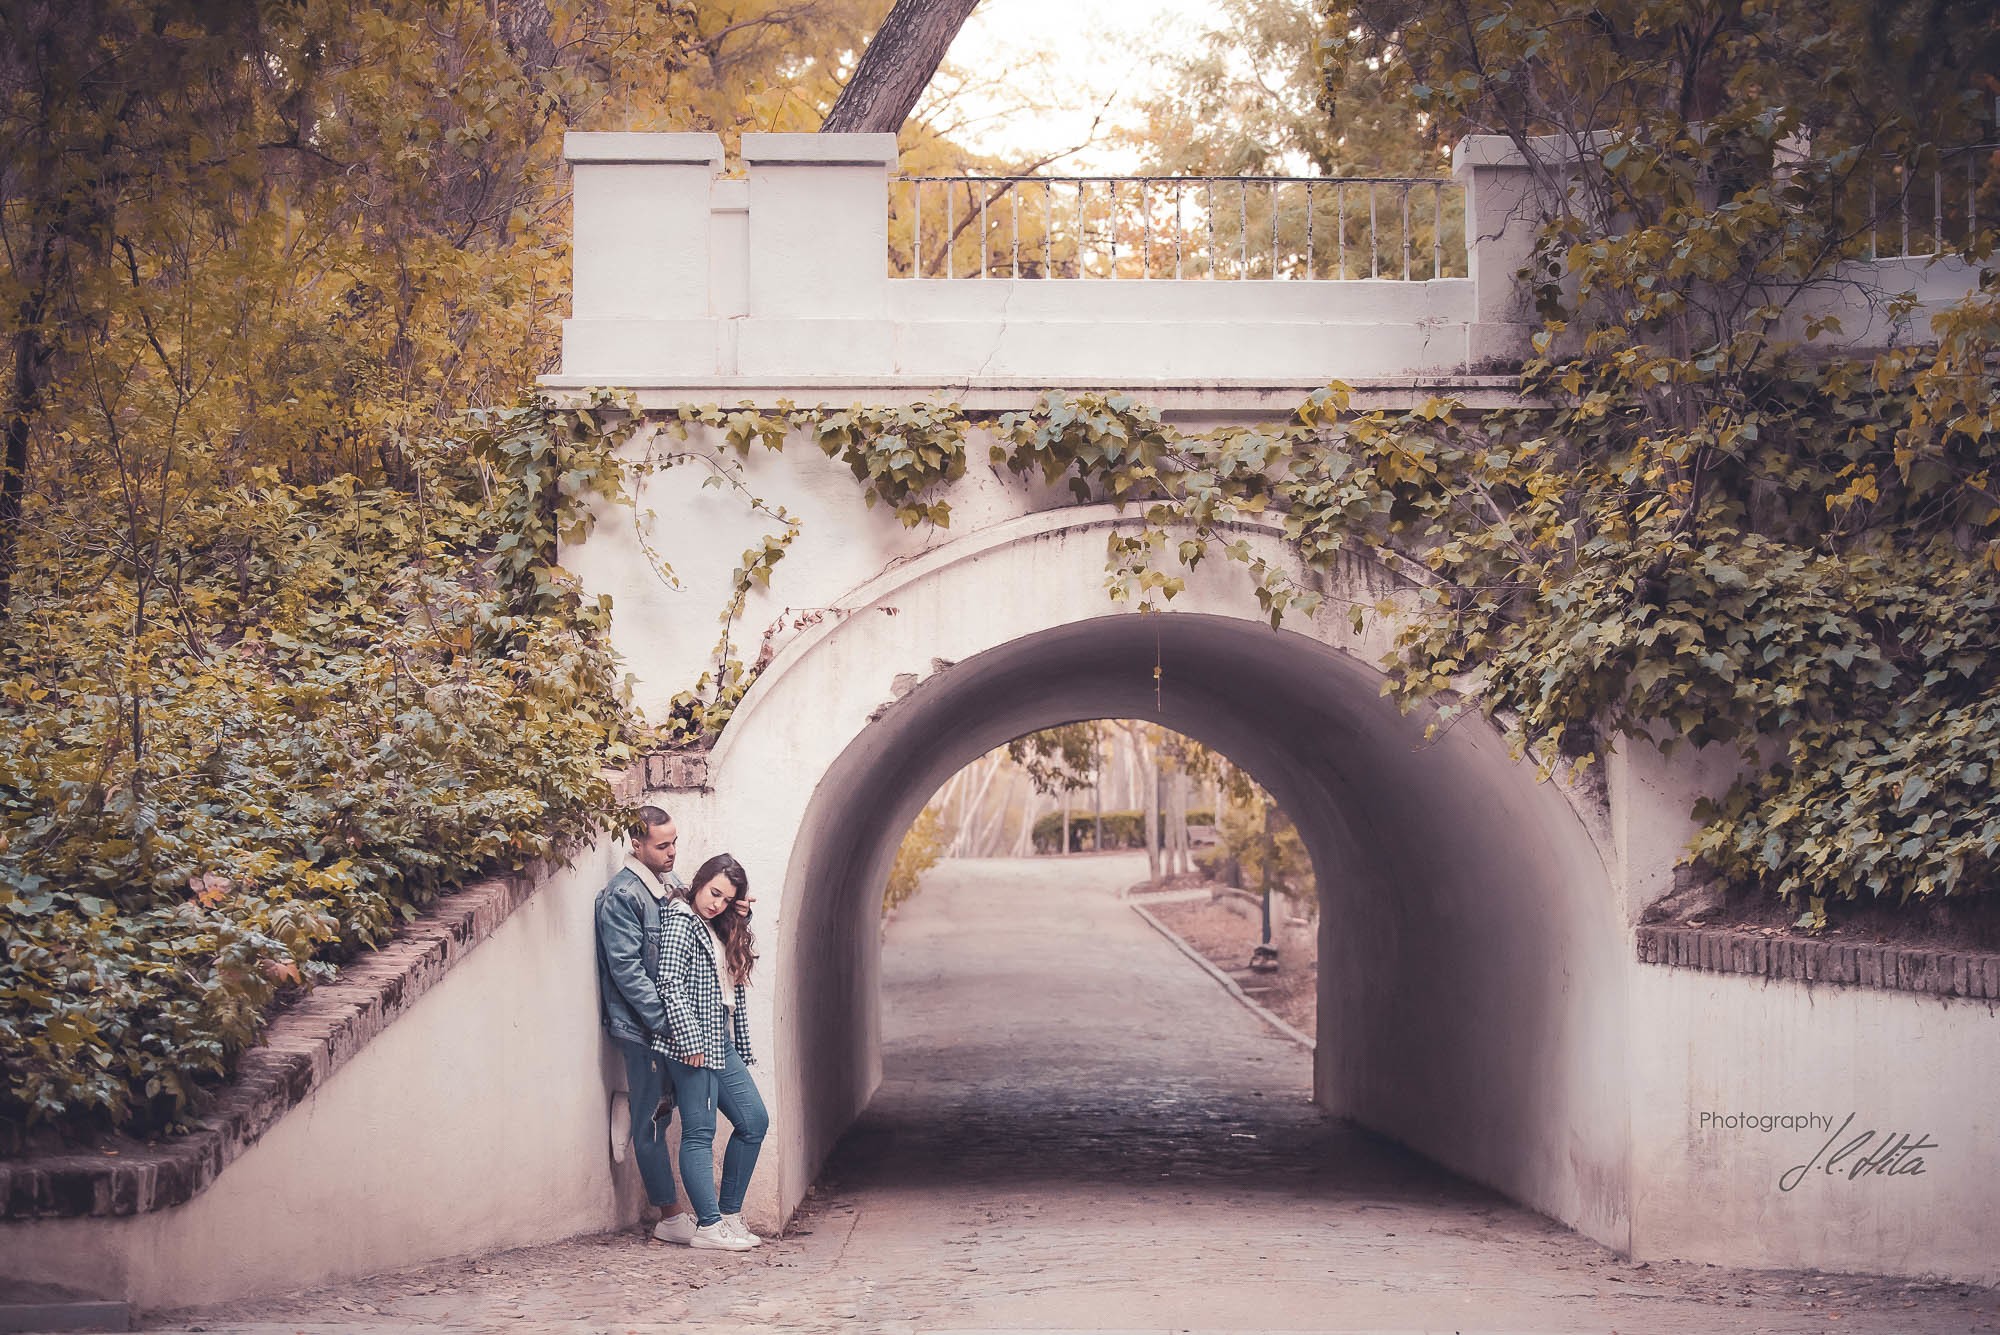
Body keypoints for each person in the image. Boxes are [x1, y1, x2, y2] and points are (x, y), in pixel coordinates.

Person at [593, 806, 698, 1245]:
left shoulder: (669, 884)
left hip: (671, 1024)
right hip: (644, 1028)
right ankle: (669, 1215)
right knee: (653, 1117)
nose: (672, 852)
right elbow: (627, 971)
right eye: (663, 845)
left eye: (674, 842)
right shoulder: (622, 896)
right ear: (636, 845)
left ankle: (627, 1104)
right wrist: (667, 1022)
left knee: (667, 1108)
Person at [655, 852, 769, 1252]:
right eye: (713, 892)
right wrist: (689, 1041)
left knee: (754, 1121)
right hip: (691, 1042)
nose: (716, 903)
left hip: (718, 1039)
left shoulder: (713, 923)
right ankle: (708, 1225)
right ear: (700, 882)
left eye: (725, 898)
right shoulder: (681, 920)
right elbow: (669, 983)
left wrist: (739, 915)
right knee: (700, 1132)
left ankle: (730, 1215)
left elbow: (722, 961)